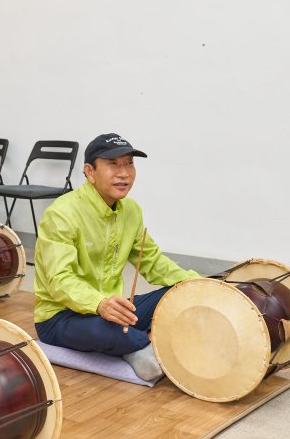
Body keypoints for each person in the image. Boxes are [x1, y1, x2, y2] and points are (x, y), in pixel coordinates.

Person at [33, 133, 199, 381]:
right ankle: (146, 344)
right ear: (90, 172)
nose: (124, 173)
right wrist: (99, 303)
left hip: (114, 309)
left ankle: (139, 343)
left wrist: (196, 284)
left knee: (179, 293)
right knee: (112, 332)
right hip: (61, 317)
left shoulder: (131, 211)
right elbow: (59, 280)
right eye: (113, 164)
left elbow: (153, 262)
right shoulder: (61, 214)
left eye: (129, 163)